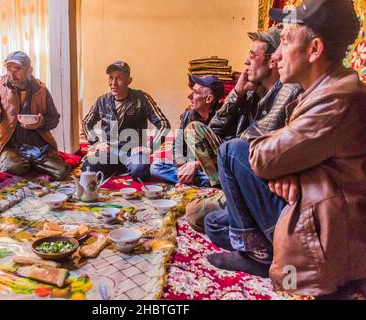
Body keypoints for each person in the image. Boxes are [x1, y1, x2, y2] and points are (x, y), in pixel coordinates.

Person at [206, 0, 365, 297]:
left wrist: (289, 170)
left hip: (324, 230)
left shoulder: (336, 99)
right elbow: (284, 149)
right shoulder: (322, 90)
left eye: (286, 42)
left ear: (314, 50)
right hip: (315, 206)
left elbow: (262, 156)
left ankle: (259, 257)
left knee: (232, 151)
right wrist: (289, 169)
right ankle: (256, 249)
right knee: (215, 223)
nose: (277, 56)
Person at [185, 26, 302, 233]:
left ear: (272, 60)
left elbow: (250, 141)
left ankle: (241, 210)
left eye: (252, 56)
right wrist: (237, 93)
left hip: (262, 178)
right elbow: (213, 128)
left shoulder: (289, 90)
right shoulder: (250, 93)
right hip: (239, 166)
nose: (246, 62)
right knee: (194, 131)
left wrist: (230, 149)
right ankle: (227, 193)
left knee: (197, 214)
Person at [0, 51, 70, 181]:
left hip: (37, 143)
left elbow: (54, 118)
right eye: (8, 69)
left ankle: (32, 162)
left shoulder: (41, 90)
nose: (11, 75)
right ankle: (29, 163)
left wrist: (41, 122)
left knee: (61, 171)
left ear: (29, 70)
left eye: (17, 69)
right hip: (10, 143)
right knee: (14, 167)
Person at [82, 61, 170, 180]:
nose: (113, 83)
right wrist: (97, 144)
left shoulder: (141, 99)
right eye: (111, 78)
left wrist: (149, 148)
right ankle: (119, 166)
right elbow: (86, 123)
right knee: (88, 168)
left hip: (133, 152)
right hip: (110, 152)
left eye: (119, 78)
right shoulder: (102, 101)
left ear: (129, 80)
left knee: (140, 172)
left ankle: (125, 166)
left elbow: (164, 124)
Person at [150, 75, 225, 187]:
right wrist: (182, 166)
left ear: (208, 99)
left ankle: (206, 180)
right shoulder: (188, 115)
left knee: (221, 174)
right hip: (192, 163)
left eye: (195, 92)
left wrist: (196, 164)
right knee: (156, 167)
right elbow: (178, 145)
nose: (189, 96)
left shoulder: (224, 117)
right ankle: (200, 180)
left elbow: (225, 155)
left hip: (213, 168)